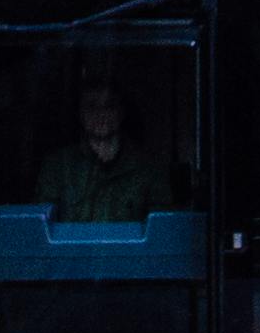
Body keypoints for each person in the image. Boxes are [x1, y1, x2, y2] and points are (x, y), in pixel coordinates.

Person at [42, 60, 170, 225]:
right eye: (92, 106)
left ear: (121, 111)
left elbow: (162, 229)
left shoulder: (150, 168)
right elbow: (41, 226)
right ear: (80, 113)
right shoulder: (57, 167)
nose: (101, 113)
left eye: (109, 106)